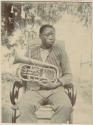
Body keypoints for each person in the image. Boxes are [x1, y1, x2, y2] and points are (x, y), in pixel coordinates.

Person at [17, 24, 73, 123]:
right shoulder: (31, 51)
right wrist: (24, 72)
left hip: (56, 90)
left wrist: (56, 83)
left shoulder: (61, 52)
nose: (52, 37)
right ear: (40, 36)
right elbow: (22, 70)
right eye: (48, 34)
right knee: (24, 106)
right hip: (34, 90)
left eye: (53, 34)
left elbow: (68, 75)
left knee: (66, 106)